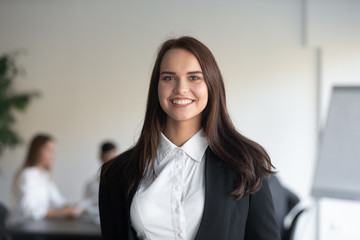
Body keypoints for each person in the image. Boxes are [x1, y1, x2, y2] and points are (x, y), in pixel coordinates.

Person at [99, 36, 280, 240]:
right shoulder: (115, 174)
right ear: (156, 86)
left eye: (194, 77)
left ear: (211, 85)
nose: (181, 89)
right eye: (169, 77)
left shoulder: (245, 163)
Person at [8, 134, 83, 224]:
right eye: (49, 150)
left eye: (53, 151)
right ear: (37, 151)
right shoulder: (27, 175)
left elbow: (58, 201)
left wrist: (74, 207)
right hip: (22, 228)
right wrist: (62, 212)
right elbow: (30, 211)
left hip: (38, 226)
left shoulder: (44, 175)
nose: (53, 156)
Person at [84, 141, 117, 213]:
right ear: (101, 157)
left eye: (113, 158)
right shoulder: (91, 184)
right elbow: (85, 206)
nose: (110, 162)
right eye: (107, 158)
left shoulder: (123, 181)